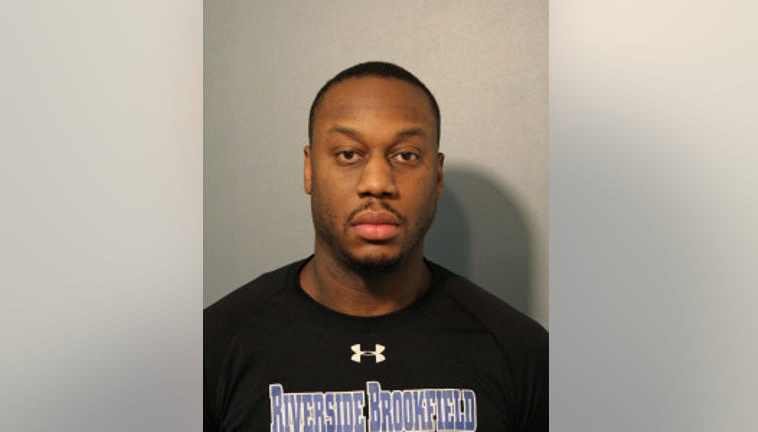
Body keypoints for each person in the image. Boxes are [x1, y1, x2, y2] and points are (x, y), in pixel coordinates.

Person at [204, 61, 548, 431]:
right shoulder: (212, 349)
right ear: (309, 170)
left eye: (406, 155)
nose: (377, 183)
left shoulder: (521, 352)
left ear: (436, 175)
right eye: (348, 154)